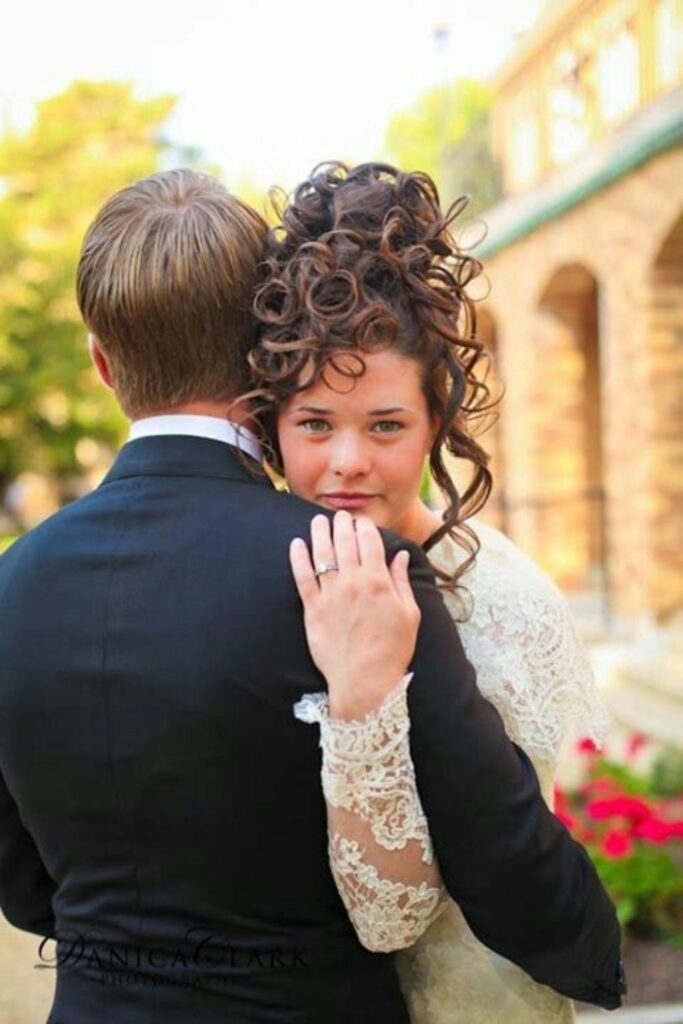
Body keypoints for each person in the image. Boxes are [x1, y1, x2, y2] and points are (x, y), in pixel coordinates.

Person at [0, 169, 623, 1024]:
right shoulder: (356, 569)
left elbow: (28, 890)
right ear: (261, 360)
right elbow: (512, 870)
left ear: (102, 363)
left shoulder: (11, 584)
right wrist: (588, 947)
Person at [249, 161, 616, 1023]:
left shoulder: (504, 598)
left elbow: (513, 854)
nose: (347, 462)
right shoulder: (245, 575)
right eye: (313, 424)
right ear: (271, 424)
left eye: (385, 425)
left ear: (436, 423)